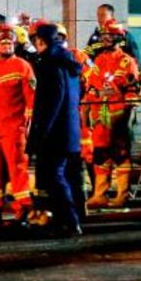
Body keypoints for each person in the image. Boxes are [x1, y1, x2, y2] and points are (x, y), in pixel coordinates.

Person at [27, 23, 84, 235]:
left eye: (37, 42)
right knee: (62, 176)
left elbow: (53, 101)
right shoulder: (67, 62)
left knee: (55, 177)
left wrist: (42, 131)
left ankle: (70, 221)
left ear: (42, 42)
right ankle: (65, 220)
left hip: (55, 133)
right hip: (68, 130)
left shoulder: (51, 64)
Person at [0, 24, 36, 223]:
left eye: (10, 43)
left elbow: (31, 99)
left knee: (17, 171)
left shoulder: (22, 66)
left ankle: (23, 211)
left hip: (13, 130)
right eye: (3, 43)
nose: (6, 46)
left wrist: (28, 126)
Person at [84, 19, 140, 209]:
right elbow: (92, 86)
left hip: (119, 116)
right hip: (100, 115)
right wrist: (88, 111)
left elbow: (133, 90)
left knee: (121, 155)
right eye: (103, 35)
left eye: (109, 35)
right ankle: (100, 194)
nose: (105, 39)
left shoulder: (127, 62)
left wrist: (128, 114)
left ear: (118, 37)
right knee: (100, 154)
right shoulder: (99, 59)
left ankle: (122, 195)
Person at [58, 23, 92, 222]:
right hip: (70, 118)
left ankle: (79, 208)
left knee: (76, 165)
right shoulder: (54, 59)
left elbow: (91, 75)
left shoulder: (77, 56)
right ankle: (75, 208)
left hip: (76, 117)